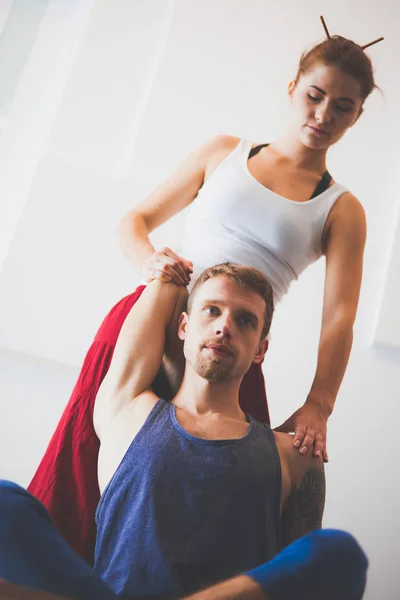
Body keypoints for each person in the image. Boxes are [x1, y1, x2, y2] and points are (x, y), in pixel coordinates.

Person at [28, 19, 383, 563]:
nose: (323, 115)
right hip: (151, 320)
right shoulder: (223, 152)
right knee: (82, 464)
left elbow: (339, 318)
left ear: (357, 116)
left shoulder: (340, 208)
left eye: (342, 106)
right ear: (293, 89)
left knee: (225, 498)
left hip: (229, 348)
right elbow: (136, 219)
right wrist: (151, 260)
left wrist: (319, 405)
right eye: (315, 96)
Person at [0, 264, 368, 599]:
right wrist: (167, 273)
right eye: (212, 310)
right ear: (183, 327)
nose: (224, 327)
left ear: (260, 350)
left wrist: (319, 406)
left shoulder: (293, 456)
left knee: (339, 552)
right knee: (5, 502)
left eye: (245, 321)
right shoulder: (127, 409)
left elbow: (304, 582)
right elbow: (154, 301)